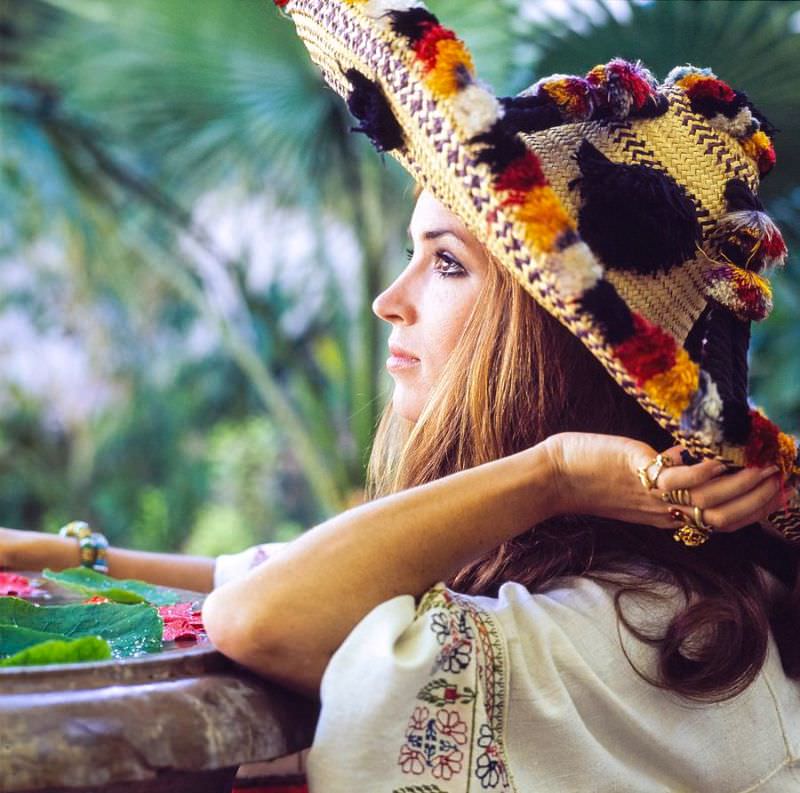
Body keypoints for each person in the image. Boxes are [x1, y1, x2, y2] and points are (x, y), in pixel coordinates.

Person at [2, 2, 799, 792]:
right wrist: (55, 556)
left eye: (447, 264)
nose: (390, 298)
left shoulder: (641, 628)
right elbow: (239, 577)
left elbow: (259, 613)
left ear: (554, 336)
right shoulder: (563, 556)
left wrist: (551, 470)